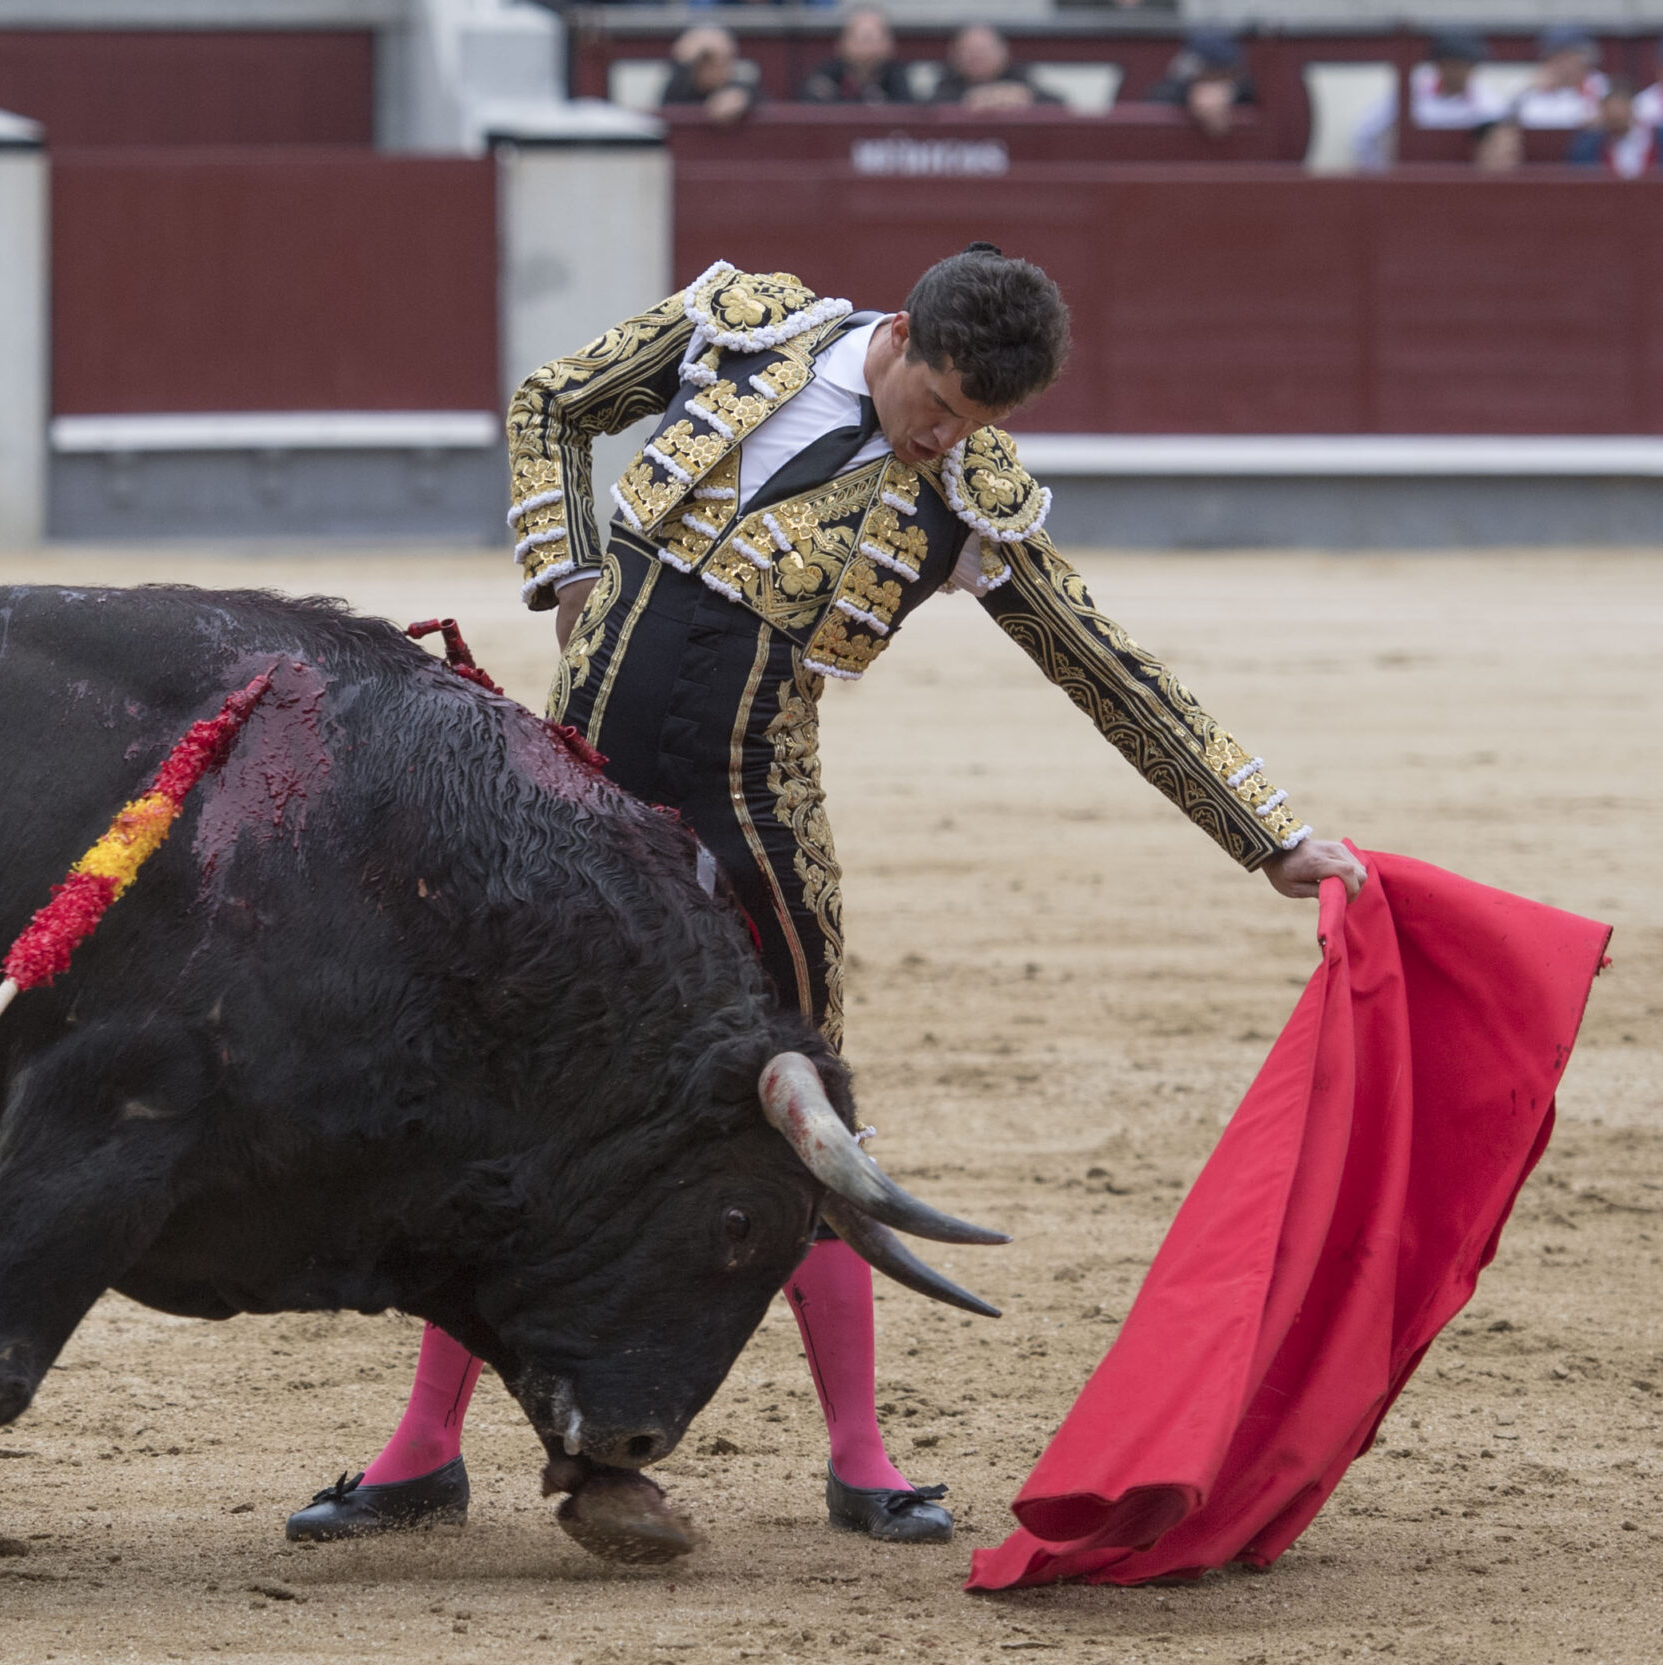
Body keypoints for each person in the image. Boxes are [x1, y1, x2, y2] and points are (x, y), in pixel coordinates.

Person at [286, 248, 1363, 1553]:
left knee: (797, 1118)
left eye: (980, 424)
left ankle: (860, 1452)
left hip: (754, 822)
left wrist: (1269, 835)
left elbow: (1107, 666)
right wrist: (566, 569)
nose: (948, 437)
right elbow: (551, 403)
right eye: (942, 403)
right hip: (570, 793)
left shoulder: (971, 495)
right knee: (498, 1096)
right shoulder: (743, 334)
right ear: (901, 333)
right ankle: (423, 1451)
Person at [1351, 31, 1504, 169]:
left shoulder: (1489, 103)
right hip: (1413, 183)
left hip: (1468, 187)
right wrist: (1382, 176)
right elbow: (1364, 133)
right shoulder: (1413, 91)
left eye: (1465, 66)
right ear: (1438, 65)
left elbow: (1501, 152)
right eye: (1452, 65)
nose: (1458, 72)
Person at [1147, 30, 1255, 139]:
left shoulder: (1245, 89)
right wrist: (1191, 95)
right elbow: (1152, 109)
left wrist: (1231, 92)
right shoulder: (1171, 90)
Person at [800, 8, 914, 105]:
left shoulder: (906, 80)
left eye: (873, 38)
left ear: (890, 45)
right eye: (861, 38)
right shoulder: (824, 79)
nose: (868, 45)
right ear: (840, 44)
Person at [932, 25, 1058, 110]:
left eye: (984, 50)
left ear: (1003, 52)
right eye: (969, 51)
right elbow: (928, 112)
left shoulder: (1021, 81)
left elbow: (1059, 109)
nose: (977, 57)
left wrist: (1026, 98)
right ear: (954, 55)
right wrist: (967, 102)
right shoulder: (946, 88)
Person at [1511, 28, 1607, 131]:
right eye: (1558, 58)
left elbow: (1597, 120)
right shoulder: (1532, 87)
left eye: (1570, 57)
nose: (1564, 65)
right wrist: (1529, 88)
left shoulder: (1597, 84)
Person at [661, 25, 757, 125]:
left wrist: (740, 96)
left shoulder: (743, 89)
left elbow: (762, 101)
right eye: (705, 61)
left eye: (721, 63)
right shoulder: (676, 91)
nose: (713, 69)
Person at [1566, 85, 1654, 174]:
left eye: (1620, 116)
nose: (1616, 117)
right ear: (1603, 115)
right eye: (1612, 117)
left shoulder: (1656, 139)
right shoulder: (1587, 147)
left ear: (1631, 110)